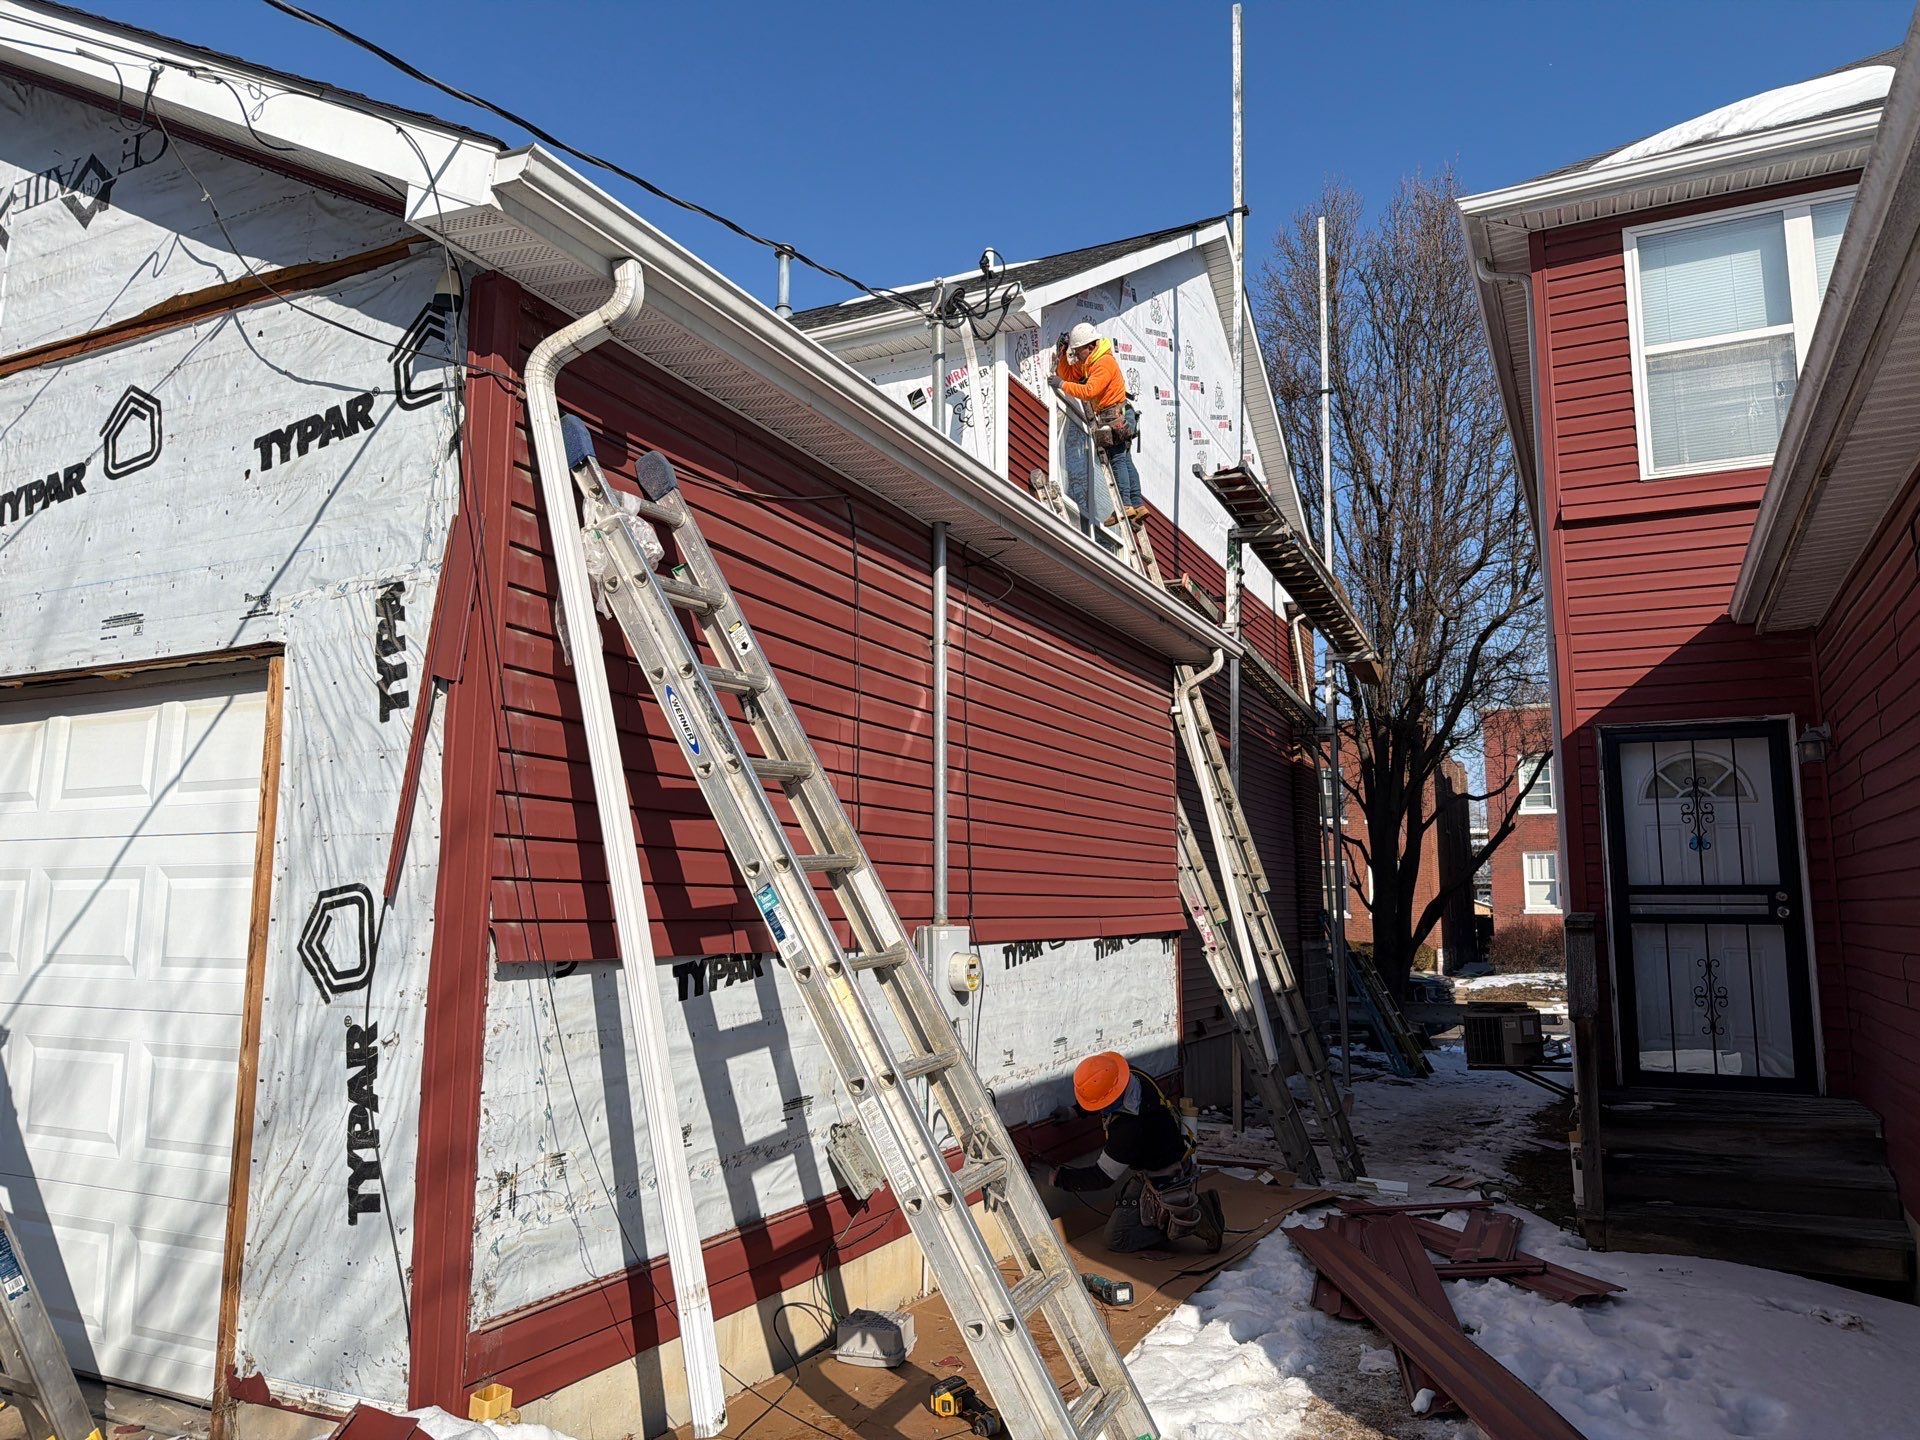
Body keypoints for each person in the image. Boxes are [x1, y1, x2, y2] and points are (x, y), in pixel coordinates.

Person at [1032, 1051, 1224, 1254]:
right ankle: (1185, 1211)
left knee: (1117, 1238)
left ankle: (1189, 1220)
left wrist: (1056, 1178)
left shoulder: (1128, 1128)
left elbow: (1102, 1177)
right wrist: (1075, 1111)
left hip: (1162, 1176)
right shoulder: (1132, 1076)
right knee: (1130, 1211)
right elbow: (1105, 1093)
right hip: (1165, 1155)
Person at [1049, 323, 1148, 530]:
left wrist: (1061, 385)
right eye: (1074, 352)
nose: (1077, 356)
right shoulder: (1090, 362)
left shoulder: (1103, 363)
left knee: (1118, 459)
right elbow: (1069, 374)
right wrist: (1062, 354)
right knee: (1126, 460)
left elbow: (1089, 391)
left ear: (1091, 346)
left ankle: (1126, 504)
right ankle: (1137, 505)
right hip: (1116, 415)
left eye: (1078, 351)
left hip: (1115, 416)